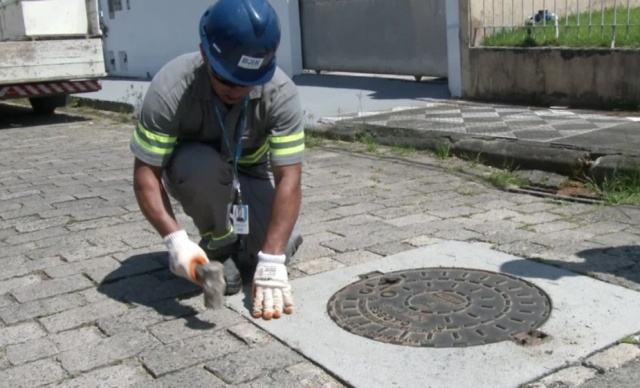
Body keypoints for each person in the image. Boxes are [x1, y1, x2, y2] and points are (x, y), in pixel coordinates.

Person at [130, 0, 304, 320]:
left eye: (248, 81)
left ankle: (248, 250)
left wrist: (273, 259)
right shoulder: (170, 89)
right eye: (227, 79)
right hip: (197, 173)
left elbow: (288, 178)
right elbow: (146, 174)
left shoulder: (281, 93)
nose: (237, 90)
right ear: (204, 52)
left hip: (249, 171)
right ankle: (220, 248)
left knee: (285, 242)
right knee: (200, 166)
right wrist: (175, 241)